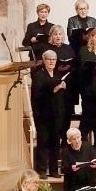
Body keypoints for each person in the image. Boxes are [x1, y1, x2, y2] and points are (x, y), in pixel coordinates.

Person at [31, 49, 67, 178]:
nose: (52, 61)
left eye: (54, 59)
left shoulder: (58, 75)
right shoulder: (39, 75)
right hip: (43, 115)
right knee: (43, 142)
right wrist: (55, 89)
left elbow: (61, 97)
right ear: (44, 61)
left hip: (57, 114)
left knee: (55, 143)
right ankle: (41, 170)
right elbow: (37, 96)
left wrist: (62, 87)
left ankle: (53, 170)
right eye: (49, 59)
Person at [78, 28, 96, 137]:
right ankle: (84, 141)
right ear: (91, 37)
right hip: (88, 87)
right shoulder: (84, 50)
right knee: (87, 116)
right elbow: (80, 68)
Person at [61, 127, 96, 191]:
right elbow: (64, 169)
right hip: (74, 185)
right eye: (73, 139)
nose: (77, 141)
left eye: (78, 138)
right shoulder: (65, 151)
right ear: (69, 141)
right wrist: (71, 168)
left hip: (90, 182)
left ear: (81, 137)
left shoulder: (88, 146)